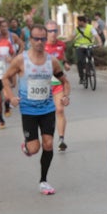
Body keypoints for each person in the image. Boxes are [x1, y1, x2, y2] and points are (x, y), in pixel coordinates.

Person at [2, 34, 69, 195]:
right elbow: (5, 78)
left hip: (47, 109)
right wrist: (11, 97)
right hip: (28, 110)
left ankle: (43, 181)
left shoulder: (51, 61)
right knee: (34, 148)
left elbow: (64, 81)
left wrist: (66, 95)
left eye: (42, 39)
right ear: (30, 40)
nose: (39, 42)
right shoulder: (20, 60)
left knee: (48, 144)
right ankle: (27, 146)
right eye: (36, 39)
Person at [43, 22, 71, 152]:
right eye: (50, 31)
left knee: (59, 110)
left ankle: (61, 139)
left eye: (55, 30)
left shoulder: (61, 44)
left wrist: (65, 63)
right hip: (43, 85)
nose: (53, 33)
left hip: (57, 83)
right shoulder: (41, 46)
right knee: (45, 114)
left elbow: (62, 56)